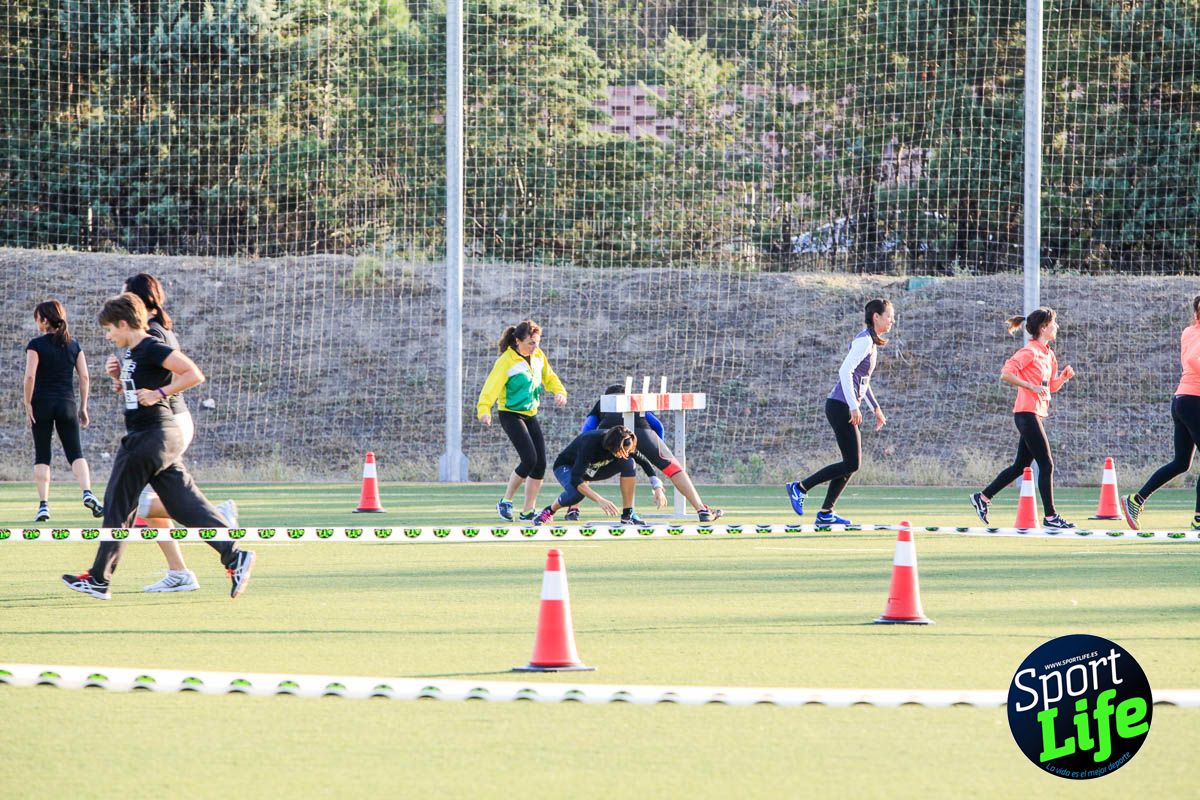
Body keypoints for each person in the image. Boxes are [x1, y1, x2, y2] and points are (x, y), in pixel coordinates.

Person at [61, 293, 255, 600]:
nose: (108, 336)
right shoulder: (133, 353)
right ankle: (235, 556)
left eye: (109, 329)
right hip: (157, 438)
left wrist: (159, 393)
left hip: (150, 436)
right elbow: (134, 392)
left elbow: (193, 374)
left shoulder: (151, 345)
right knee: (184, 505)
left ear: (123, 324)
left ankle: (98, 579)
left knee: (117, 504)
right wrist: (118, 378)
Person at [109, 273, 237, 593]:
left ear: (139, 302)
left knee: (141, 501)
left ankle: (215, 517)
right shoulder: (151, 330)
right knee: (149, 501)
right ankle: (179, 570)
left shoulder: (152, 334)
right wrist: (119, 378)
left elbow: (181, 377)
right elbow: (143, 381)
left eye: (125, 297)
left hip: (168, 423)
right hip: (167, 422)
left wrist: (157, 394)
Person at [786, 298, 894, 527]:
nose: (891, 320)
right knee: (852, 463)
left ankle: (826, 513)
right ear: (876, 317)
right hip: (840, 406)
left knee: (850, 462)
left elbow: (862, 381)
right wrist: (854, 406)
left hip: (843, 405)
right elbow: (845, 371)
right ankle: (800, 488)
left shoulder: (871, 343)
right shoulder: (864, 341)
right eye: (889, 316)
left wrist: (875, 407)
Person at [970, 308, 1076, 529]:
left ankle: (983, 497)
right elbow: (1006, 374)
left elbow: (1050, 387)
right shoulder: (1030, 351)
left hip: (1035, 414)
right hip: (1026, 414)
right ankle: (1051, 517)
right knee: (1046, 464)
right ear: (1043, 328)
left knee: (1020, 466)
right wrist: (1029, 386)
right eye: (1053, 324)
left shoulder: (1049, 354)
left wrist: (1063, 378)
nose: (1057, 327)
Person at [565, 384, 722, 522]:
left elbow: (588, 427)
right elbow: (658, 426)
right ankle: (702, 510)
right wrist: (656, 452)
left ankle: (573, 509)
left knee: (589, 465)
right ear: (626, 393)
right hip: (642, 431)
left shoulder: (602, 402)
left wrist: (588, 447)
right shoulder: (634, 400)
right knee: (673, 468)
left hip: (609, 432)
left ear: (606, 395)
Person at [1121, 295, 1200, 531]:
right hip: (1193, 401)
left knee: (1181, 463)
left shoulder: (1189, 331)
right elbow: (1193, 359)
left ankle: (1136, 500)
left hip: (1181, 400)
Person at [476, 320, 567, 521]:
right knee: (529, 459)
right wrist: (484, 410)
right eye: (530, 343)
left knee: (540, 463)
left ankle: (527, 512)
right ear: (517, 341)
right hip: (510, 414)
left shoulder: (538, 356)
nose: (535, 347)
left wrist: (559, 392)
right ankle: (505, 501)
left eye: (537, 343)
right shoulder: (506, 361)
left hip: (530, 414)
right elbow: (490, 388)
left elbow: (550, 378)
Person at [23, 300, 103, 522]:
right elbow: (84, 377)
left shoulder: (35, 344)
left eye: (37, 318)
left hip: (42, 404)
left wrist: (27, 403)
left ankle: (44, 506)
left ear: (44, 320)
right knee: (76, 452)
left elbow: (29, 376)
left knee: (42, 454)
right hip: (67, 404)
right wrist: (83, 406)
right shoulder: (73, 345)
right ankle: (87, 492)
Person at [532, 426, 641, 525]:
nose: (625, 453)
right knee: (577, 494)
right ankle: (549, 511)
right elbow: (575, 479)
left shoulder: (624, 442)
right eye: (623, 450)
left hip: (587, 470)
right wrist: (600, 499)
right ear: (614, 445)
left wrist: (653, 481)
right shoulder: (590, 442)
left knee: (629, 463)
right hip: (566, 466)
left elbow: (643, 461)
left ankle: (628, 515)